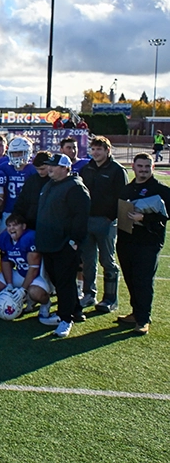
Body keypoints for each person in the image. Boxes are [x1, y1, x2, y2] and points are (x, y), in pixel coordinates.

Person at [35, 153, 91, 339]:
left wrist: (73, 242)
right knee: (59, 281)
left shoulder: (75, 187)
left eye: (54, 166)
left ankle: (65, 319)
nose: (49, 168)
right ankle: (75, 310)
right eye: (48, 165)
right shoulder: (52, 183)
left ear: (65, 168)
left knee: (65, 283)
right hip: (49, 243)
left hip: (63, 245)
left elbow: (81, 218)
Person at [116, 153, 170, 335]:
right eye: (140, 166)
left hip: (148, 243)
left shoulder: (161, 190)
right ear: (134, 167)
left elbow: (165, 215)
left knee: (143, 281)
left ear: (152, 168)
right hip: (126, 241)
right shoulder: (127, 189)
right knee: (130, 279)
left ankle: (143, 319)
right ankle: (136, 312)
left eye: (147, 167)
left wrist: (144, 218)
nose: (144, 170)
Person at [78, 136, 127, 312]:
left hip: (106, 222)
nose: (96, 152)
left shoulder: (117, 170)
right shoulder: (87, 168)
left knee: (107, 260)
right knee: (88, 260)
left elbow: (122, 197)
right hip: (87, 221)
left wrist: (110, 217)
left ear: (108, 150)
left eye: (100, 149)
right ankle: (89, 294)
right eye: (94, 149)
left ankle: (110, 298)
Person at [0, 213, 58, 325]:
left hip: (37, 277)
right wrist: (9, 284)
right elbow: (6, 261)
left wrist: (23, 289)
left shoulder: (29, 238)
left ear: (24, 226)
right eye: (9, 226)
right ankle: (23, 300)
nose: (11, 228)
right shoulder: (4, 239)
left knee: (35, 292)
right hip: (21, 273)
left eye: (15, 225)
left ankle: (45, 303)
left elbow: (33, 268)